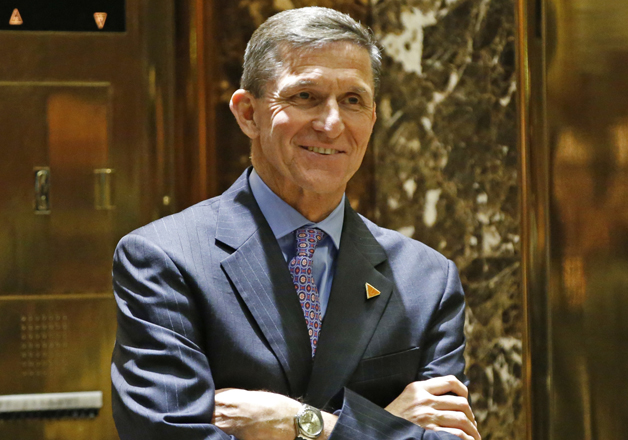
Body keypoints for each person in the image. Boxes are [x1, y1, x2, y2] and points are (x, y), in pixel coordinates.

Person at [111, 7, 480, 440]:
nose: (332, 124)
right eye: (305, 96)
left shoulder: (427, 280)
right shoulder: (164, 259)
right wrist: (387, 425)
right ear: (248, 114)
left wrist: (302, 423)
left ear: (372, 119)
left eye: (353, 100)